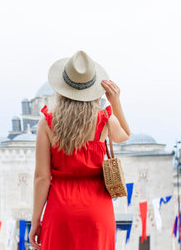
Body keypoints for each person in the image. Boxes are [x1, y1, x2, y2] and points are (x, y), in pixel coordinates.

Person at [29, 50, 131, 250]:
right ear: (93, 89)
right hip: (97, 212)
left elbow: (42, 177)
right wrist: (115, 102)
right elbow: (125, 134)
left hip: (60, 211)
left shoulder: (47, 123)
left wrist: (35, 221)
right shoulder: (104, 120)